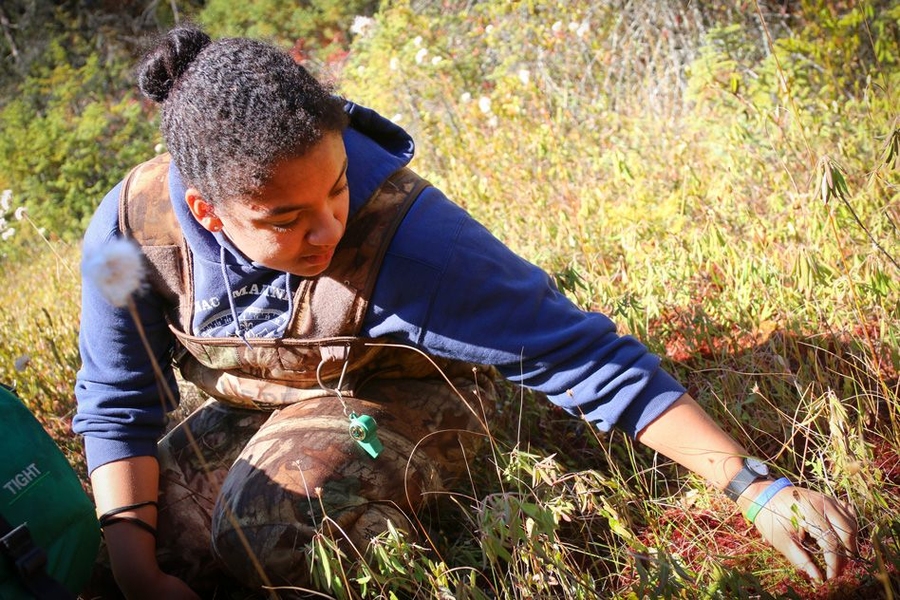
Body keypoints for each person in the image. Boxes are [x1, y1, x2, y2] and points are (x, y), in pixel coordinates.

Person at [73, 24, 858, 599]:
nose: (328, 228)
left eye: (337, 186)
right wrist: (137, 572)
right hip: (262, 407)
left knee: (272, 527)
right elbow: (116, 403)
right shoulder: (125, 234)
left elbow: (580, 356)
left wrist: (755, 489)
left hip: (407, 396)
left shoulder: (411, 236)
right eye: (285, 219)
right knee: (126, 537)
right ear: (209, 214)